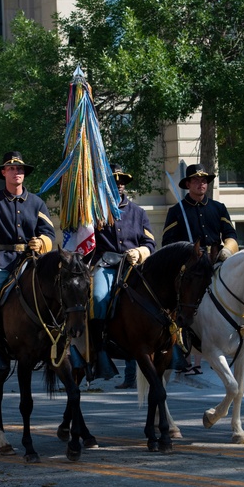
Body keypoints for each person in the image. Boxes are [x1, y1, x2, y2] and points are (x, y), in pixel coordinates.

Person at [162, 163, 244, 363]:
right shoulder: (176, 211)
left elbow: (230, 234)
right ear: (188, 184)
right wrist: (189, 253)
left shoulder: (218, 208)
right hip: (192, 267)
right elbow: (168, 243)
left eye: (204, 180)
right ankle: (175, 344)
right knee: (178, 299)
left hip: (218, 262)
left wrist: (227, 250)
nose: (201, 184)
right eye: (196, 180)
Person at [0, 151, 56, 374]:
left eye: (20, 169)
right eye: (12, 168)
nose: (17, 172)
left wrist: (42, 242)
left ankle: (59, 343)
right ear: (4, 172)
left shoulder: (36, 203)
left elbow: (49, 233)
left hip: (31, 261)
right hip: (3, 262)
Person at [90, 164, 156, 389]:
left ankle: (172, 348)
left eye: (122, 181)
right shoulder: (95, 211)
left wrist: (140, 251)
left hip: (134, 267)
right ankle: (98, 351)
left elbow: (149, 242)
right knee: (98, 298)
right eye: (114, 181)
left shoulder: (138, 212)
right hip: (107, 265)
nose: (119, 185)